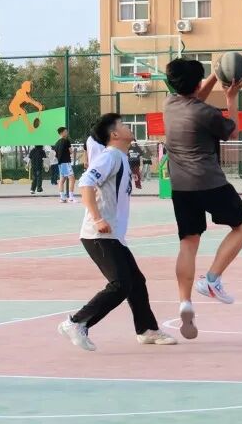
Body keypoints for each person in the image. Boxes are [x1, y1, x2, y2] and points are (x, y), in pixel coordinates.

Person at [58, 114, 176, 351]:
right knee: (120, 284)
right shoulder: (110, 156)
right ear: (114, 135)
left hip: (112, 236)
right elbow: (85, 183)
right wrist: (98, 218)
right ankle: (77, 322)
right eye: (122, 125)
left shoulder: (119, 157)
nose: (128, 127)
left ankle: (147, 330)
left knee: (136, 281)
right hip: (98, 234)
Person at [163, 57, 242, 339]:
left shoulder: (169, 105)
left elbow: (193, 98)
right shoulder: (207, 113)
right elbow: (233, 131)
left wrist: (214, 76)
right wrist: (231, 97)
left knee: (188, 243)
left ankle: (185, 301)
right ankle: (212, 279)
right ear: (198, 83)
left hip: (181, 186)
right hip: (209, 181)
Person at [55, 128, 74, 203]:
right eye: (66, 132)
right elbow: (71, 151)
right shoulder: (66, 141)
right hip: (66, 163)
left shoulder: (56, 143)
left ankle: (62, 198)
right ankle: (71, 197)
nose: (67, 133)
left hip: (60, 163)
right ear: (62, 133)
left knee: (62, 180)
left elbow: (56, 154)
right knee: (72, 178)